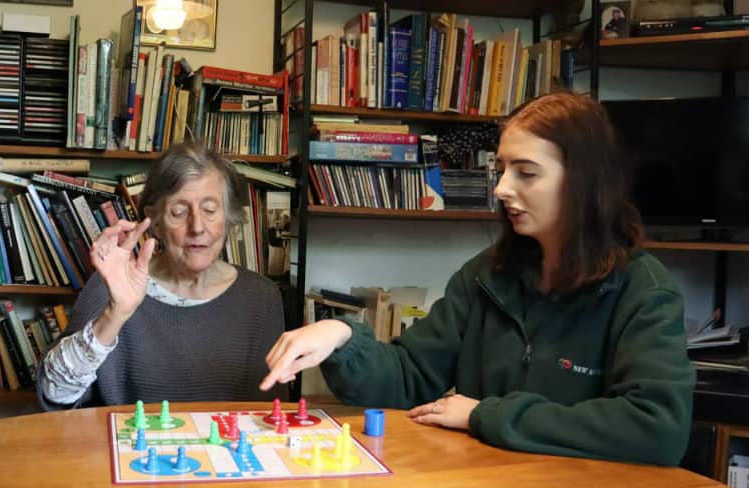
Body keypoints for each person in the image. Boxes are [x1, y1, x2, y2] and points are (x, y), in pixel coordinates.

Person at [260, 93, 695, 466]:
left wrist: (483, 415)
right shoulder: (486, 273)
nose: (502, 188)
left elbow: (657, 429)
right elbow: (409, 377)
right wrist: (341, 337)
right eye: (502, 168)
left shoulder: (643, 291)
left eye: (526, 172)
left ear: (583, 182)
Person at [38, 143, 288, 409]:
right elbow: (55, 396)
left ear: (228, 219)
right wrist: (116, 312)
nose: (197, 227)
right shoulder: (112, 287)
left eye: (210, 209)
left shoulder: (261, 298)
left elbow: (271, 414)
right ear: (154, 222)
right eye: (179, 211)